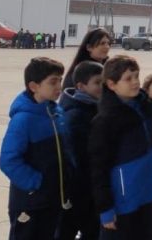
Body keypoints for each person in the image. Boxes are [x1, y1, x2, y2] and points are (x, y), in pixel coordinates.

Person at [90, 55, 152, 240]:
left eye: (137, 76)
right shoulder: (106, 120)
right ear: (112, 84)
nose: (135, 82)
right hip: (123, 201)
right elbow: (98, 168)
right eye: (128, 79)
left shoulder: (145, 108)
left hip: (147, 194)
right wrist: (105, 208)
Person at [0, 57, 72, 240]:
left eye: (60, 80)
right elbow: (8, 160)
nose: (59, 86)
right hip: (30, 203)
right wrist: (37, 184)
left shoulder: (56, 113)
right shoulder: (23, 119)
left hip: (54, 199)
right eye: (53, 82)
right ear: (34, 86)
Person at [57, 61, 104, 240]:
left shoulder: (96, 108)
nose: (102, 87)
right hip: (79, 190)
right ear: (80, 86)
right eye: (97, 83)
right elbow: (77, 158)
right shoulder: (76, 115)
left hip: (92, 188)